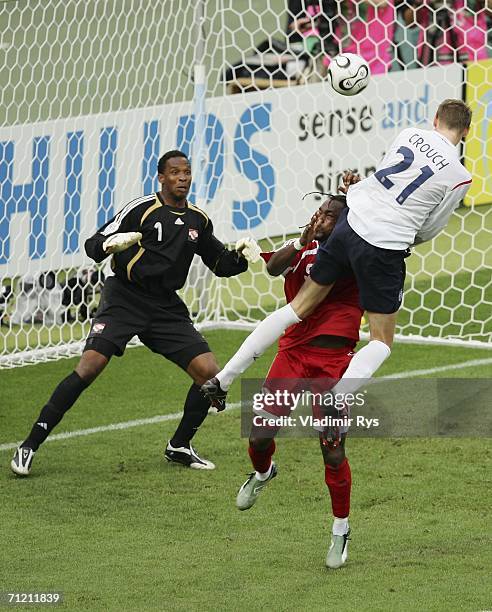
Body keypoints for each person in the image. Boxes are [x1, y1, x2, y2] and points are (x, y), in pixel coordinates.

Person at [202, 99, 472, 412]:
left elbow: (385, 178)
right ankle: (336, 398)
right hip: (385, 246)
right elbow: (432, 226)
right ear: (465, 132)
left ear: (435, 118)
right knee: (381, 341)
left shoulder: (409, 134)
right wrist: (406, 237)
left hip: (350, 224)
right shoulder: (460, 175)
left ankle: (222, 379)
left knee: (296, 308)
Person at [10, 150, 257, 476]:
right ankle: (29, 445)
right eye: (174, 172)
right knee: (89, 366)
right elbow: (92, 243)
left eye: (186, 172)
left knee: (209, 375)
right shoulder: (140, 209)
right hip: (124, 298)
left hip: (166, 306)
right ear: (161, 177)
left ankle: (179, 445)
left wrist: (241, 257)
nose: (182, 178)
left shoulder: (198, 220)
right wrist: (111, 245)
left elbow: (220, 264)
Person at [236, 195, 363, 569]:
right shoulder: (303, 248)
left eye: (329, 215)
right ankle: (263, 472)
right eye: (319, 211)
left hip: (334, 363)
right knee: (259, 436)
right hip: (292, 354)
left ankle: (341, 529)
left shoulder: (354, 255)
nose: (320, 217)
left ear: (343, 223)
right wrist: (304, 236)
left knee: (333, 450)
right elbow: (274, 268)